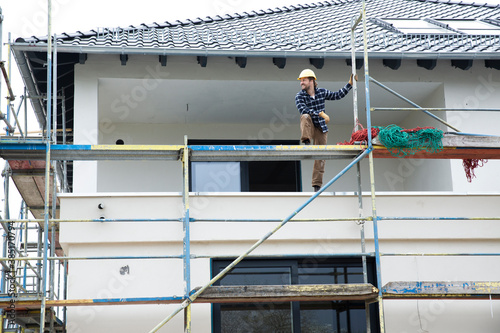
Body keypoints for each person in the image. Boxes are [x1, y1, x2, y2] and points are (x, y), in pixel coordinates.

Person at [295, 69, 356, 192]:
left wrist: (349, 85)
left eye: (304, 80)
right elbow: (303, 110)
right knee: (305, 117)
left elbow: (337, 95)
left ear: (311, 81)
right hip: (310, 125)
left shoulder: (321, 92)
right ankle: (306, 140)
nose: (301, 83)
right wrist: (321, 114)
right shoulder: (299, 96)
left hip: (321, 128)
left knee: (321, 157)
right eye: (301, 81)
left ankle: (316, 185)